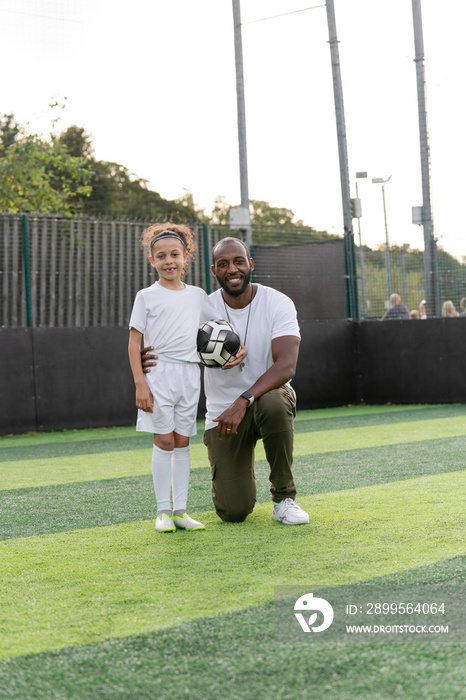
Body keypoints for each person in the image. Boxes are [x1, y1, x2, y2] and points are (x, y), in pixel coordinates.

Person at [142, 237, 309, 526]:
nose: (232, 269)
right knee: (233, 512)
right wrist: (149, 356)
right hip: (222, 414)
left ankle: (284, 499)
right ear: (214, 271)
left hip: (263, 402)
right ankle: (240, 478)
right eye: (223, 264)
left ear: (250, 264)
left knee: (272, 401)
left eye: (238, 261)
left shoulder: (278, 302)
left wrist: (244, 399)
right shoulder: (200, 307)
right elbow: (163, 336)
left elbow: (287, 365)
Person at [128, 223, 209, 533]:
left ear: (185, 256)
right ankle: (162, 511)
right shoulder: (146, 296)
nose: (168, 261)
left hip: (190, 374)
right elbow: (134, 343)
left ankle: (180, 511)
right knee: (163, 440)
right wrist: (140, 383)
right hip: (159, 373)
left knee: (182, 441)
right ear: (152, 260)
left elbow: (213, 330)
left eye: (175, 254)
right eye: (161, 256)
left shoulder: (199, 296)